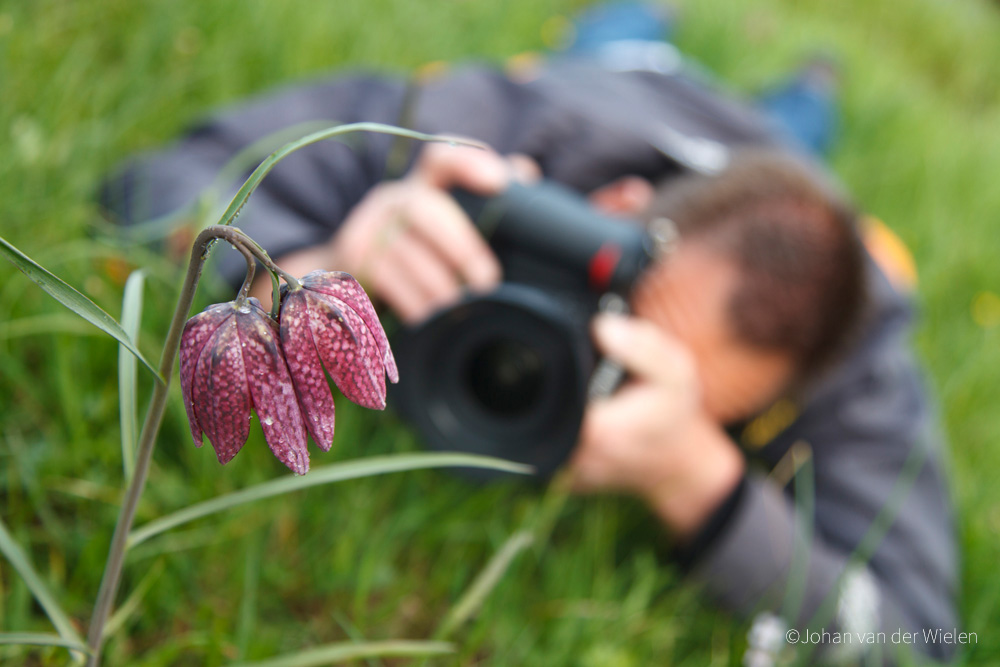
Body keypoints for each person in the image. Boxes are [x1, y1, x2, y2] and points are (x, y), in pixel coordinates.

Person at [103, 5, 957, 663]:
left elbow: (923, 646)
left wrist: (700, 476)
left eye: (672, 394)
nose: (585, 401)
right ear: (612, 212)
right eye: (612, 340)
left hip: (763, 168)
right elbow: (149, 183)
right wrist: (305, 262)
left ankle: (812, 87)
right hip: (625, 81)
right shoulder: (500, 130)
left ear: (786, 402)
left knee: (802, 124)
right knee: (618, 37)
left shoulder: (860, 361)